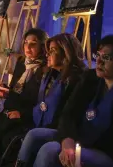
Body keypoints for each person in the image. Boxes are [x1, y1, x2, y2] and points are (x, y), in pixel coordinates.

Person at [33, 35, 113, 167]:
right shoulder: (90, 79)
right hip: (79, 138)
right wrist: (67, 139)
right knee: (35, 135)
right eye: (98, 55)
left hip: (107, 152)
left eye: (106, 58)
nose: (99, 62)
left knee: (49, 151)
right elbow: (69, 113)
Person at [0, 28, 49, 166]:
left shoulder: (46, 70)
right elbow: (16, 90)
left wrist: (21, 114)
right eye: (26, 43)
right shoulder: (22, 63)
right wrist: (4, 91)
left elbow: (42, 103)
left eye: (33, 44)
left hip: (25, 118)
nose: (28, 47)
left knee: (5, 139)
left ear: (42, 46)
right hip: (9, 111)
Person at [14, 33, 86, 166]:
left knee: (35, 137)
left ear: (66, 52)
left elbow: (68, 113)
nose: (47, 55)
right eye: (48, 51)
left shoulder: (76, 79)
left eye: (52, 51)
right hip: (42, 123)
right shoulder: (51, 74)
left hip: (63, 130)